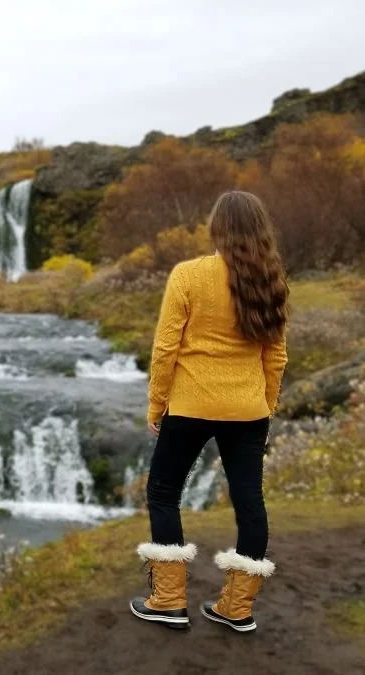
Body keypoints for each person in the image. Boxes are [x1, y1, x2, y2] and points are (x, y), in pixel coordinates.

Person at [129, 191, 289, 632]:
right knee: (249, 502)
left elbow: (166, 347)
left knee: (163, 492)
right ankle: (237, 610)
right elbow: (275, 357)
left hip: (190, 405)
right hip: (248, 411)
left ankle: (168, 600)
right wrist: (266, 405)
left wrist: (156, 403)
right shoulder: (271, 279)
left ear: (216, 229)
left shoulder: (188, 275)